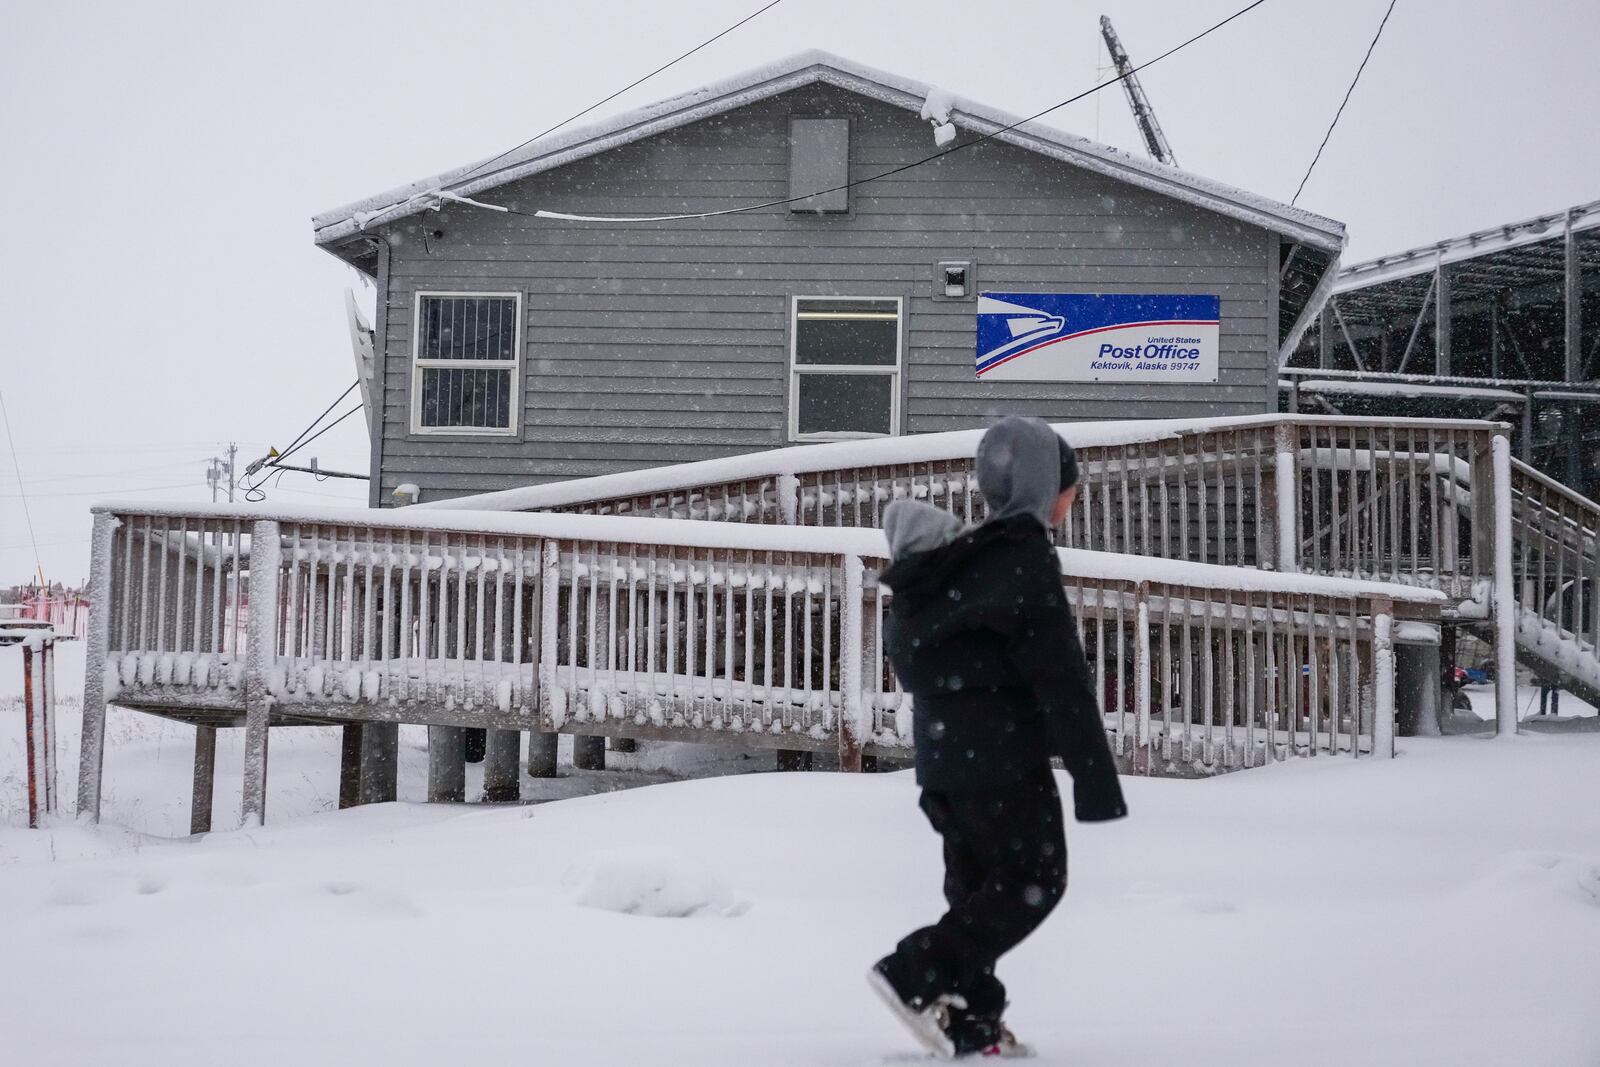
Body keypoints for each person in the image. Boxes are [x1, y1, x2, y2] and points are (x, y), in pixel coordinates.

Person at [867, 415, 1127, 1059]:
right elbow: (1061, 677)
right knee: (1034, 879)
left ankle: (973, 1024)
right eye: (1070, 484)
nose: (1074, 497)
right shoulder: (1022, 558)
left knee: (978, 891)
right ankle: (914, 971)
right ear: (1047, 487)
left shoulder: (963, 559)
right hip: (1003, 759)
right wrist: (1096, 784)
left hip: (945, 762)